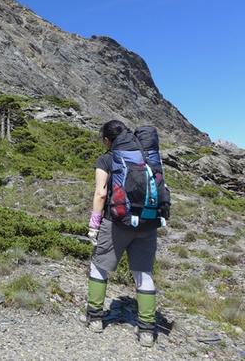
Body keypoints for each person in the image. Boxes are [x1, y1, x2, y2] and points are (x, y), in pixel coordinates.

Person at [85, 120, 158, 347]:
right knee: (143, 273)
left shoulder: (107, 159)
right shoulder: (147, 158)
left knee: (100, 265)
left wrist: (94, 226)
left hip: (116, 222)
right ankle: (146, 330)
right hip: (147, 224)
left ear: (108, 140)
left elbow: (100, 193)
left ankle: (94, 317)